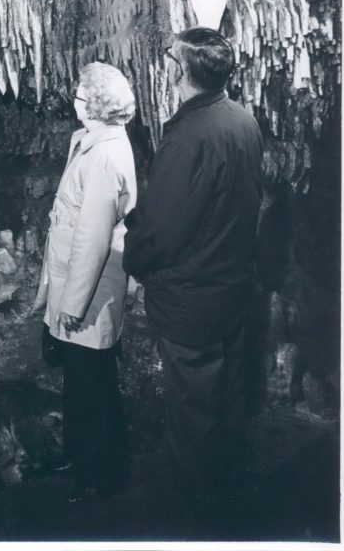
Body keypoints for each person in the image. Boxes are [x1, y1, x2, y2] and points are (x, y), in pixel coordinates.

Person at [122, 27, 263, 530]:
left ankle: (199, 513)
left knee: (193, 407)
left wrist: (133, 257)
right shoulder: (243, 120)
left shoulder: (188, 137)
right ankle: (231, 487)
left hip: (191, 297)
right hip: (232, 288)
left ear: (183, 73)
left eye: (171, 62)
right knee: (227, 396)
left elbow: (162, 229)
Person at [33, 61, 137, 501]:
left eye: (79, 92)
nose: (73, 97)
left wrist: (71, 306)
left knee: (93, 386)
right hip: (81, 285)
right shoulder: (94, 143)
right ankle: (81, 457)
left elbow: (93, 240)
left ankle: (100, 476)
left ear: (94, 104)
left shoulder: (104, 157)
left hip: (89, 294)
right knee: (79, 383)